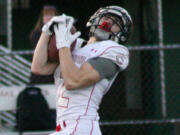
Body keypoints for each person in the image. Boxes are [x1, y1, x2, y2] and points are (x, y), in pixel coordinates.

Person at [31, 5, 133, 135]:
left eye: (116, 24)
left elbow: (73, 82)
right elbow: (38, 68)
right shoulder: (74, 44)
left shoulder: (113, 50)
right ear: (95, 19)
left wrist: (63, 45)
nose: (108, 23)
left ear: (122, 34)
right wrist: (47, 31)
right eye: (106, 18)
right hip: (64, 126)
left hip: (82, 126)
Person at [29, 5, 59, 84]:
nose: (48, 17)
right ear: (42, 18)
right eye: (46, 15)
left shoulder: (60, 32)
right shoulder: (36, 34)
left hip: (55, 74)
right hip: (40, 74)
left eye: (51, 15)